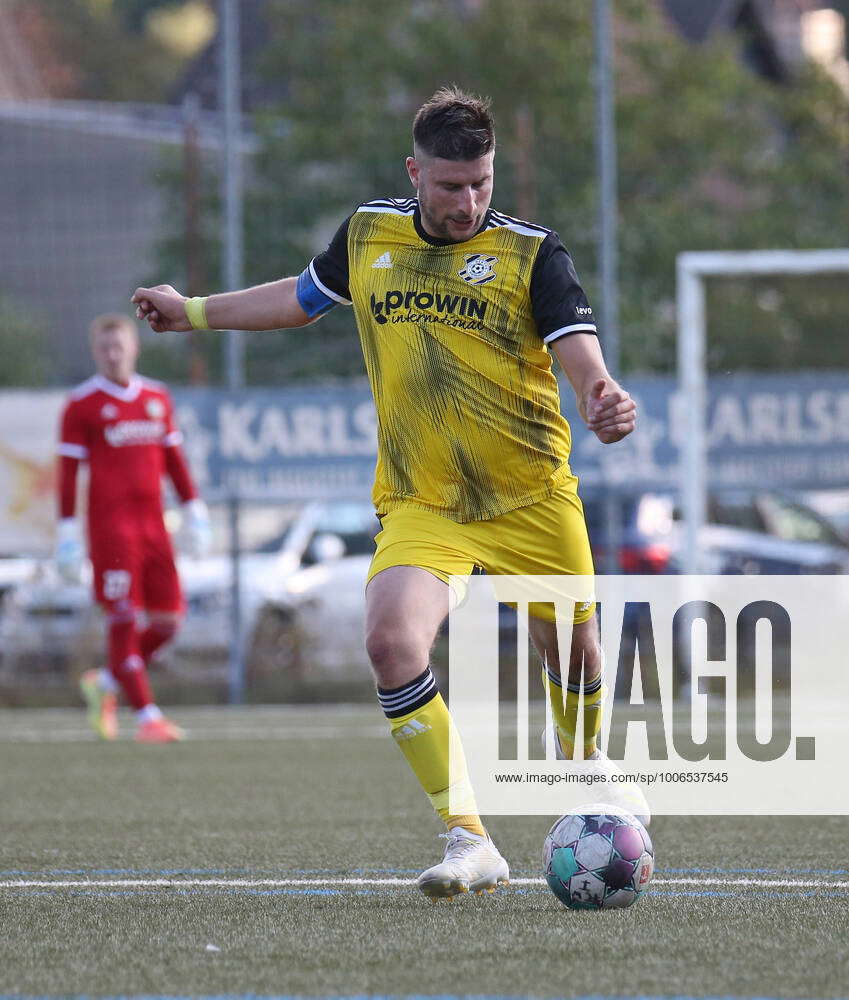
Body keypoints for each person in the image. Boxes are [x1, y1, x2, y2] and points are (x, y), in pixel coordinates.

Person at [132, 86, 643, 894]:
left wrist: (598, 392)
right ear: (414, 172)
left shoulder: (532, 252)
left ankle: (586, 770)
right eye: (449, 185)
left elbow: (574, 342)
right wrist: (191, 311)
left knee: (572, 655)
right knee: (390, 644)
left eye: (481, 182)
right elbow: (299, 301)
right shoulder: (368, 233)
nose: (468, 201)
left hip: (532, 500)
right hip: (423, 503)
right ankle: (469, 838)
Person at [56, 313, 211, 743]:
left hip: (154, 528)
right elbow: (68, 473)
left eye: (118, 345)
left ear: (133, 347)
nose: (112, 354)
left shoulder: (157, 398)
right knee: (123, 621)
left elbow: (174, 462)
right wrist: (66, 534)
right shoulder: (82, 404)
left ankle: (104, 682)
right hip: (112, 531)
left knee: (167, 622)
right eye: (104, 348)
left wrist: (195, 509)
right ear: (95, 353)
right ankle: (147, 717)